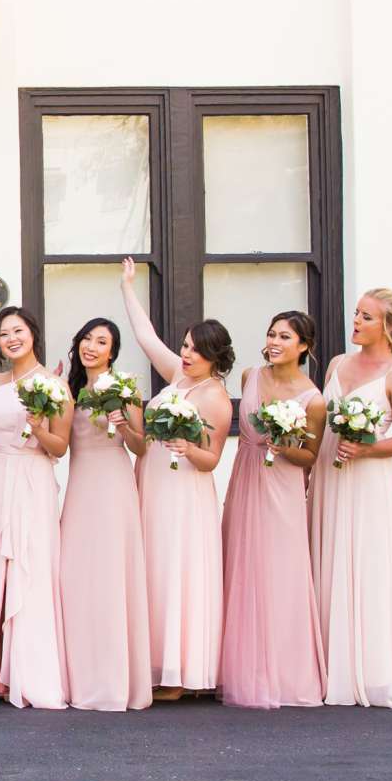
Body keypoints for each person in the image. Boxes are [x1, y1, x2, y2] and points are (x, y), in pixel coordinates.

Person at [121, 259, 232, 702]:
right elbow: (146, 337)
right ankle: (153, 662)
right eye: (185, 346)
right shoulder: (176, 377)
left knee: (177, 569)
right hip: (153, 482)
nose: (186, 354)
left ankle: (181, 670)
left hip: (185, 491)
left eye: (195, 350)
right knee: (152, 566)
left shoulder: (216, 397)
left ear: (215, 357)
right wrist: (128, 287)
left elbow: (212, 460)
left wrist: (190, 449)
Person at [309, 289, 392, 709]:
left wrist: (368, 449)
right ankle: (327, 665)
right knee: (329, 558)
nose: (356, 321)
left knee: (366, 565)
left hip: (367, 482)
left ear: (389, 327)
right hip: (329, 475)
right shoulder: (337, 364)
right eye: (356, 313)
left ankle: (371, 669)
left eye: (367, 317)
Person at [218, 312, 325, 710]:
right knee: (242, 569)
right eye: (272, 333)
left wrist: (284, 449)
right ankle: (241, 668)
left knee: (280, 574)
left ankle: (284, 674)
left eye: (285, 336)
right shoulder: (250, 377)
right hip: (245, 479)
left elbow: (311, 455)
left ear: (303, 346)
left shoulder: (313, 399)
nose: (275, 341)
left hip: (282, 488)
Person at [0, 305, 69, 708]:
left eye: (18, 331)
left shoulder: (52, 383)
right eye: (4, 333)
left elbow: (60, 447)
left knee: (27, 568)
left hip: (29, 476)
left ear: (33, 335)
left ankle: (27, 670)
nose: (11, 338)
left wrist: (40, 428)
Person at [58, 317, 152, 712]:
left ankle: (115, 681)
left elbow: (141, 446)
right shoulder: (69, 388)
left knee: (113, 575)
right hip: (81, 487)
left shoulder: (124, 387)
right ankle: (81, 677)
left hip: (113, 484)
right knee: (75, 575)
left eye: (101, 341)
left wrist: (123, 424)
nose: (91, 347)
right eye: (86, 339)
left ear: (112, 351)